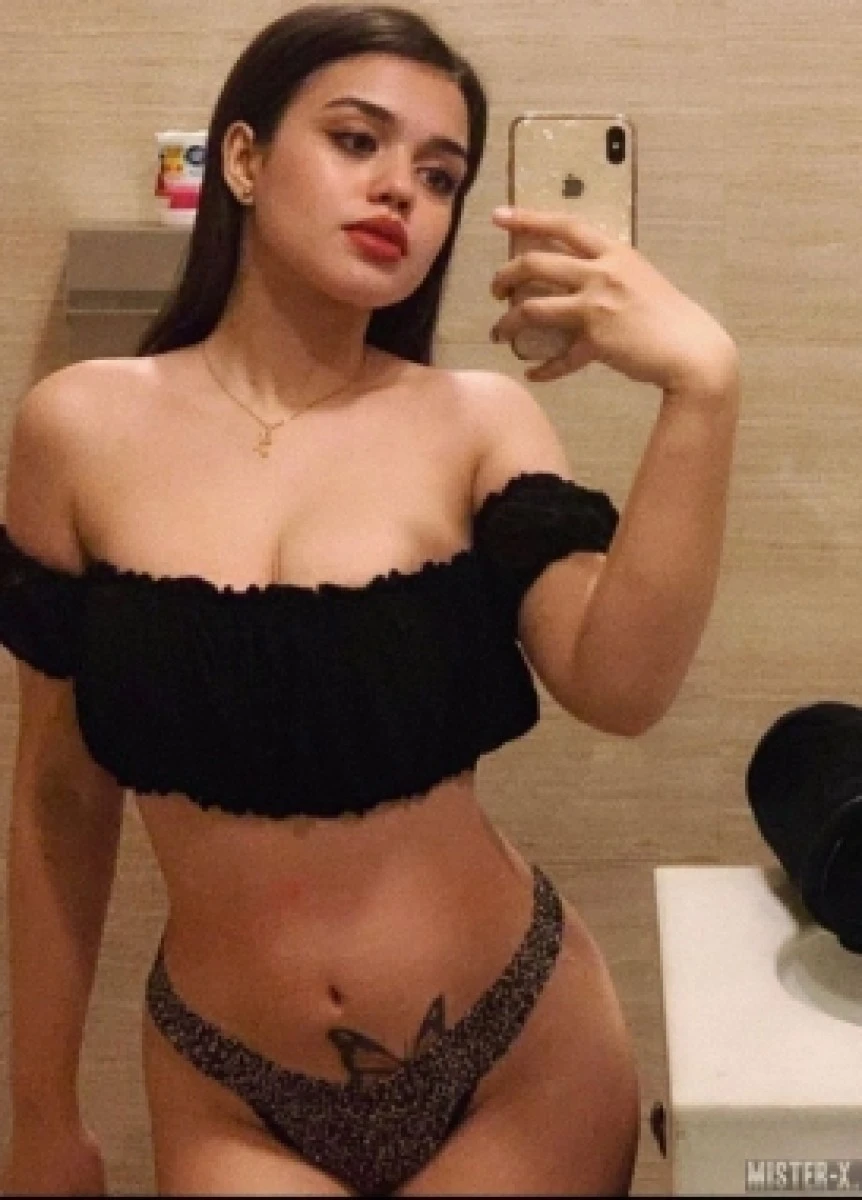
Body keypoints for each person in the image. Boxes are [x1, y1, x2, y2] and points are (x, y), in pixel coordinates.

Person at [0, 4, 739, 1195]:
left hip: (517, 1057)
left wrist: (701, 389)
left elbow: (620, 685)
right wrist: (40, 1114)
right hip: (231, 1089)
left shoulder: (478, 423)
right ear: (244, 159)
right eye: (356, 141)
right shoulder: (76, 429)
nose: (401, 188)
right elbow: (57, 796)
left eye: (439, 175)